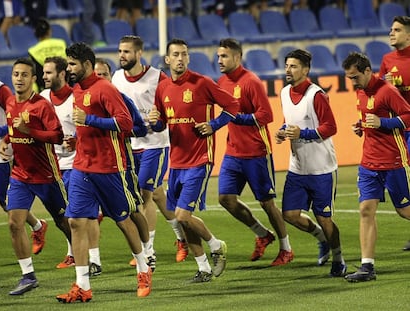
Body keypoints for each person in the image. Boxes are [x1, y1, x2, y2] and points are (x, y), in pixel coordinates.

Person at [57, 42, 151, 302]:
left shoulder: (105, 89)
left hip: (110, 166)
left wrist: (90, 121)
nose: (69, 68)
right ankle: (83, 286)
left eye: (73, 64)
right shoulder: (77, 91)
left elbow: (125, 123)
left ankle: (143, 268)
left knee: (123, 220)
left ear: (87, 65)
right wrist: (77, 138)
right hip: (82, 166)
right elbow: (84, 124)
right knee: (75, 221)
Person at [148, 38, 239, 282]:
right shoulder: (163, 89)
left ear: (188, 58)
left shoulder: (201, 83)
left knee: (182, 216)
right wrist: (154, 121)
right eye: (175, 54)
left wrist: (214, 124)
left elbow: (233, 105)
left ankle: (217, 245)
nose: (180, 58)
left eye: (184, 54)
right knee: (182, 219)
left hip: (200, 158)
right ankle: (204, 268)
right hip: (176, 162)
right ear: (167, 60)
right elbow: (161, 125)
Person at [216, 38, 294, 266]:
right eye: (219, 56)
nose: (220, 60)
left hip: (257, 152)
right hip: (233, 152)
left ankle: (286, 248)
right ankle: (262, 234)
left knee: (267, 203)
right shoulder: (221, 81)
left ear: (237, 58)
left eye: (224, 56)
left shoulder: (251, 82)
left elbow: (266, 115)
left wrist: (239, 118)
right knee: (226, 199)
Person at [112, 35, 189, 266]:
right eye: (120, 51)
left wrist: (161, 120)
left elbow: (172, 103)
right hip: (131, 146)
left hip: (155, 144)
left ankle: (148, 251)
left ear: (138, 54)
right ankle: (182, 238)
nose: (122, 55)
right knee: (156, 195)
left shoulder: (157, 77)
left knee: (144, 195)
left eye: (126, 51)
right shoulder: (117, 78)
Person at [0, 57, 71, 295]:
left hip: (47, 176)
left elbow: (57, 136)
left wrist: (28, 130)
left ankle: (87, 257)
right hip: (20, 175)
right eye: (16, 74)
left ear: (33, 79)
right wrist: (8, 140)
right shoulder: (9, 102)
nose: (19, 78)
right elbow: (13, 128)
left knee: (67, 224)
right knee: (14, 223)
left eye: (24, 75)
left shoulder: (41, 105)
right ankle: (28, 275)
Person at [275, 49, 346, 276]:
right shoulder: (285, 92)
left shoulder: (316, 95)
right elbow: (290, 122)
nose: (288, 70)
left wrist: (302, 134)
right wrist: (282, 131)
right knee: (290, 215)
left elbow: (331, 127)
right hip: (297, 167)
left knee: (325, 218)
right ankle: (322, 239)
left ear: (306, 70)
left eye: (293, 66)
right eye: (287, 65)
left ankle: (338, 258)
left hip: (321, 168)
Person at [342, 51, 410, 282]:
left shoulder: (388, 91)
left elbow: (408, 117)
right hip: (369, 162)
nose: (352, 82)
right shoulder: (361, 92)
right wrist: (361, 127)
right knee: (366, 210)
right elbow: (370, 119)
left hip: (392, 161)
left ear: (368, 71)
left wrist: (383, 122)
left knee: (404, 211)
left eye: (355, 77)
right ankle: (367, 267)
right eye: (349, 78)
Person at [40, 56, 104, 274]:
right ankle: (73, 253)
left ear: (61, 74)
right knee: (64, 216)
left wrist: (77, 139)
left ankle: (94, 259)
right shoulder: (41, 98)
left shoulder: (77, 97)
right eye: (43, 72)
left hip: (79, 163)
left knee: (85, 214)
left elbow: (91, 124)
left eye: (49, 73)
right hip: (52, 166)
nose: (44, 76)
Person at [94, 57, 153, 272]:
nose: (100, 78)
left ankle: (148, 253)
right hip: (93, 166)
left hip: (122, 164)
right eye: (96, 74)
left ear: (111, 77)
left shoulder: (122, 99)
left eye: (104, 74)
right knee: (87, 215)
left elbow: (140, 129)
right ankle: (92, 261)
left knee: (133, 209)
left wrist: (118, 128)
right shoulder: (85, 99)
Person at [0, 76, 49, 258]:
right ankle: (38, 226)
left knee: (6, 203)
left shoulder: (0, 90)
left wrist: (0, 133)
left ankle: (38, 226)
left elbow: (15, 119)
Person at [378, 16, 410, 251]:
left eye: (397, 30)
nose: (392, 33)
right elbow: (377, 92)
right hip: (399, 129)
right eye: (391, 30)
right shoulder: (387, 60)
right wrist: (385, 84)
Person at [28, 18, 67, 92]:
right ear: (49, 31)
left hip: (44, 90)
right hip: (64, 86)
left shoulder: (32, 51)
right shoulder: (61, 43)